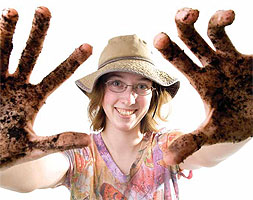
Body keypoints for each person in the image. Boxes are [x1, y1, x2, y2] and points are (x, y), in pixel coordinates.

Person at [0, 7, 252, 200]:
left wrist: (242, 119)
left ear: (153, 94)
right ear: (100, 91)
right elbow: (31, 177)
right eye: (116, 84)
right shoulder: (78, 155)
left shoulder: (165, 147)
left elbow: (209, 156)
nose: (129, 99)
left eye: (142, 86)